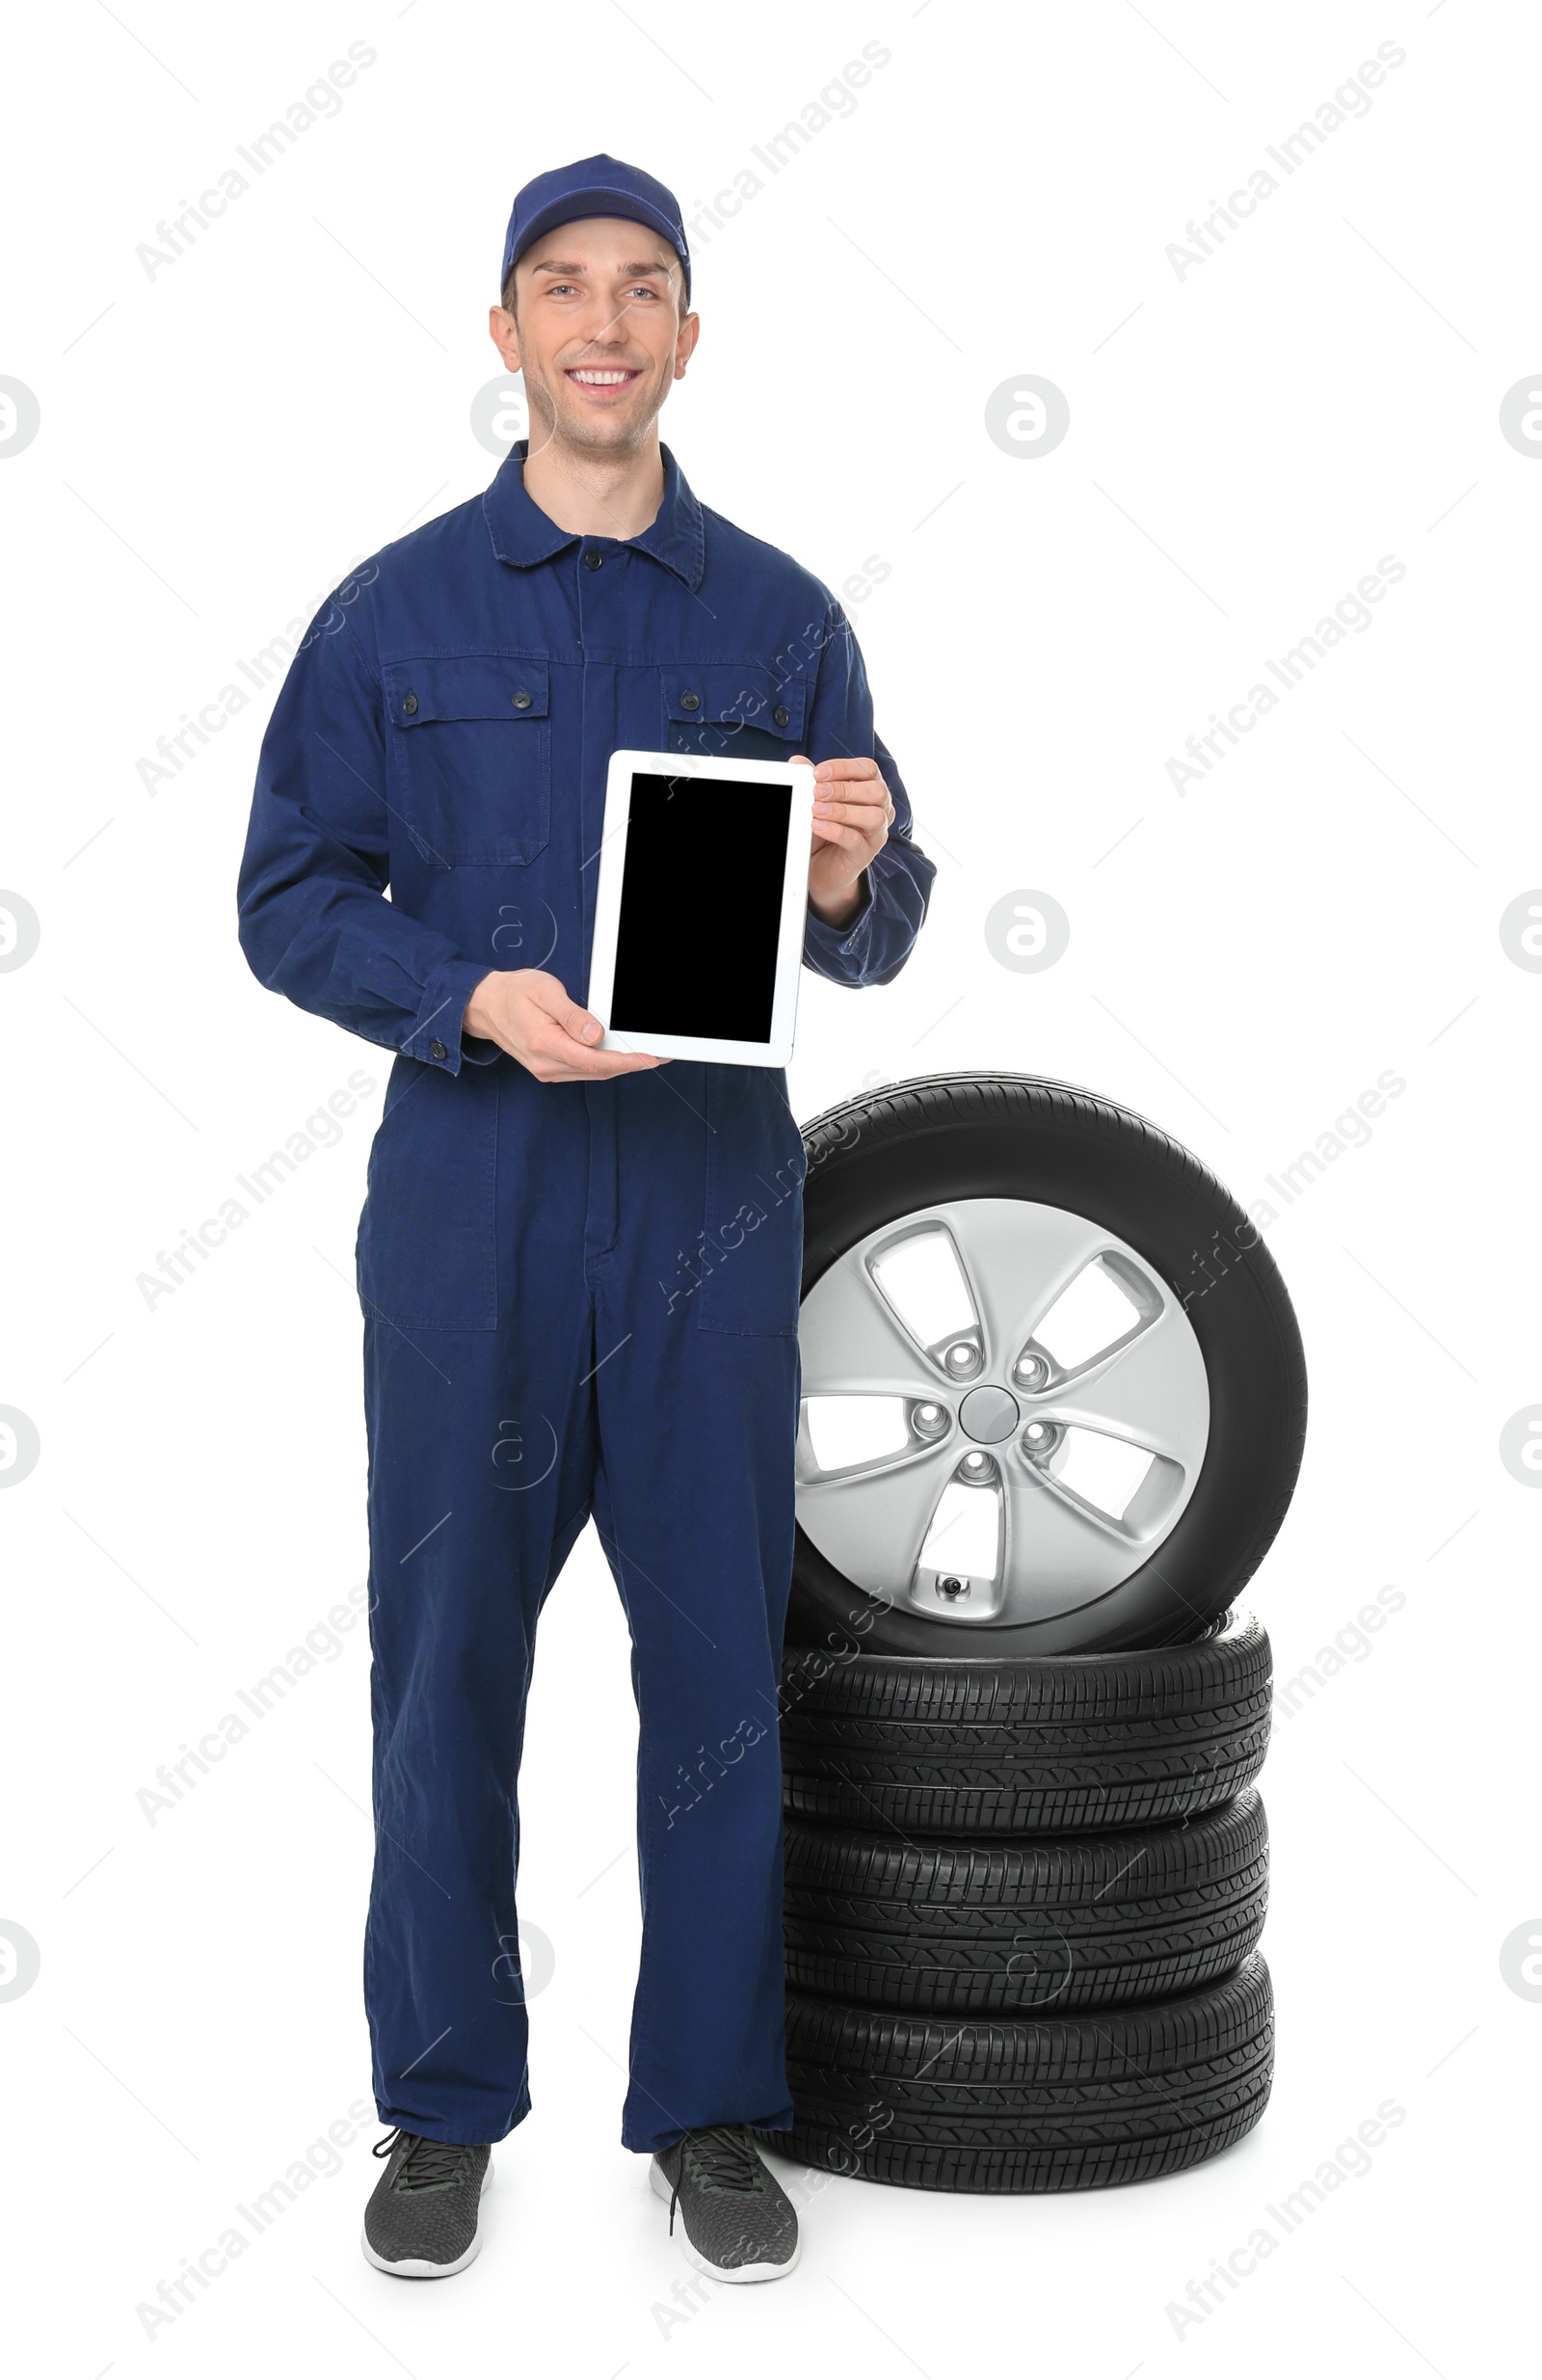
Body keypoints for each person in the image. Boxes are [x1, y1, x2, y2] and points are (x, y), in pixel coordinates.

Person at [237, 152, 934, 2286]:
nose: (605, 324)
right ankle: (442, 2101)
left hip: (712, 1211)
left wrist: (847, 870)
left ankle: (707, 2102)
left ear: (688, 336)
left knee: (720, 1666)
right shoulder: (390, 612)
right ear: (507, 334)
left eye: (645, 289)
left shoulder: (781, 616)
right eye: (563, 289)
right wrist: (459, 998)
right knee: (444, 1665)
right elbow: (282, 900)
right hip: (472, 1207)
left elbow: (879, 924)